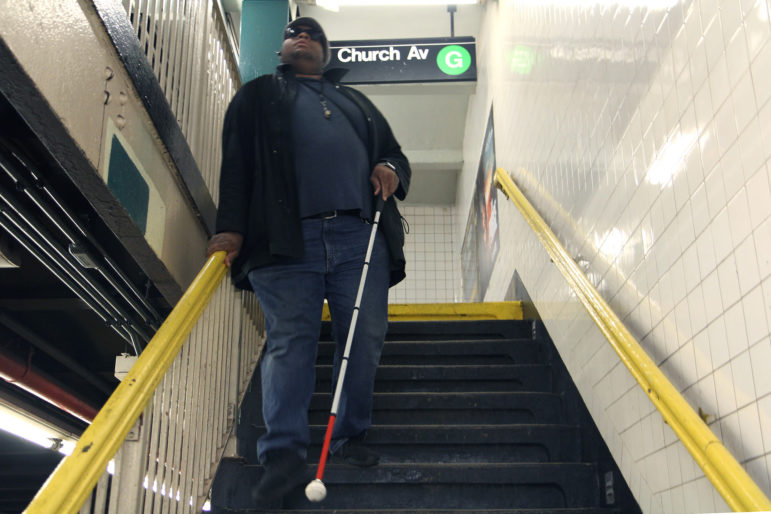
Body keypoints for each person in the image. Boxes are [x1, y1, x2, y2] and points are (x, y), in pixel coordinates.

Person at [206, 16, 410, 505]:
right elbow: (236, 163)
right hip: (283, 240)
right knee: (290, 342)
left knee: (363, 339)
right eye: (295, 33)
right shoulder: (256, 97)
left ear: (326, 51)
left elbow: (395, 154)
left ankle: (350, 435)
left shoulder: (357, 103)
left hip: (359, 236)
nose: (304, 38)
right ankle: (282, 457)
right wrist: (230, 229)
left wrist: (390, 169)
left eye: (315, 35)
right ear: (282, 49)